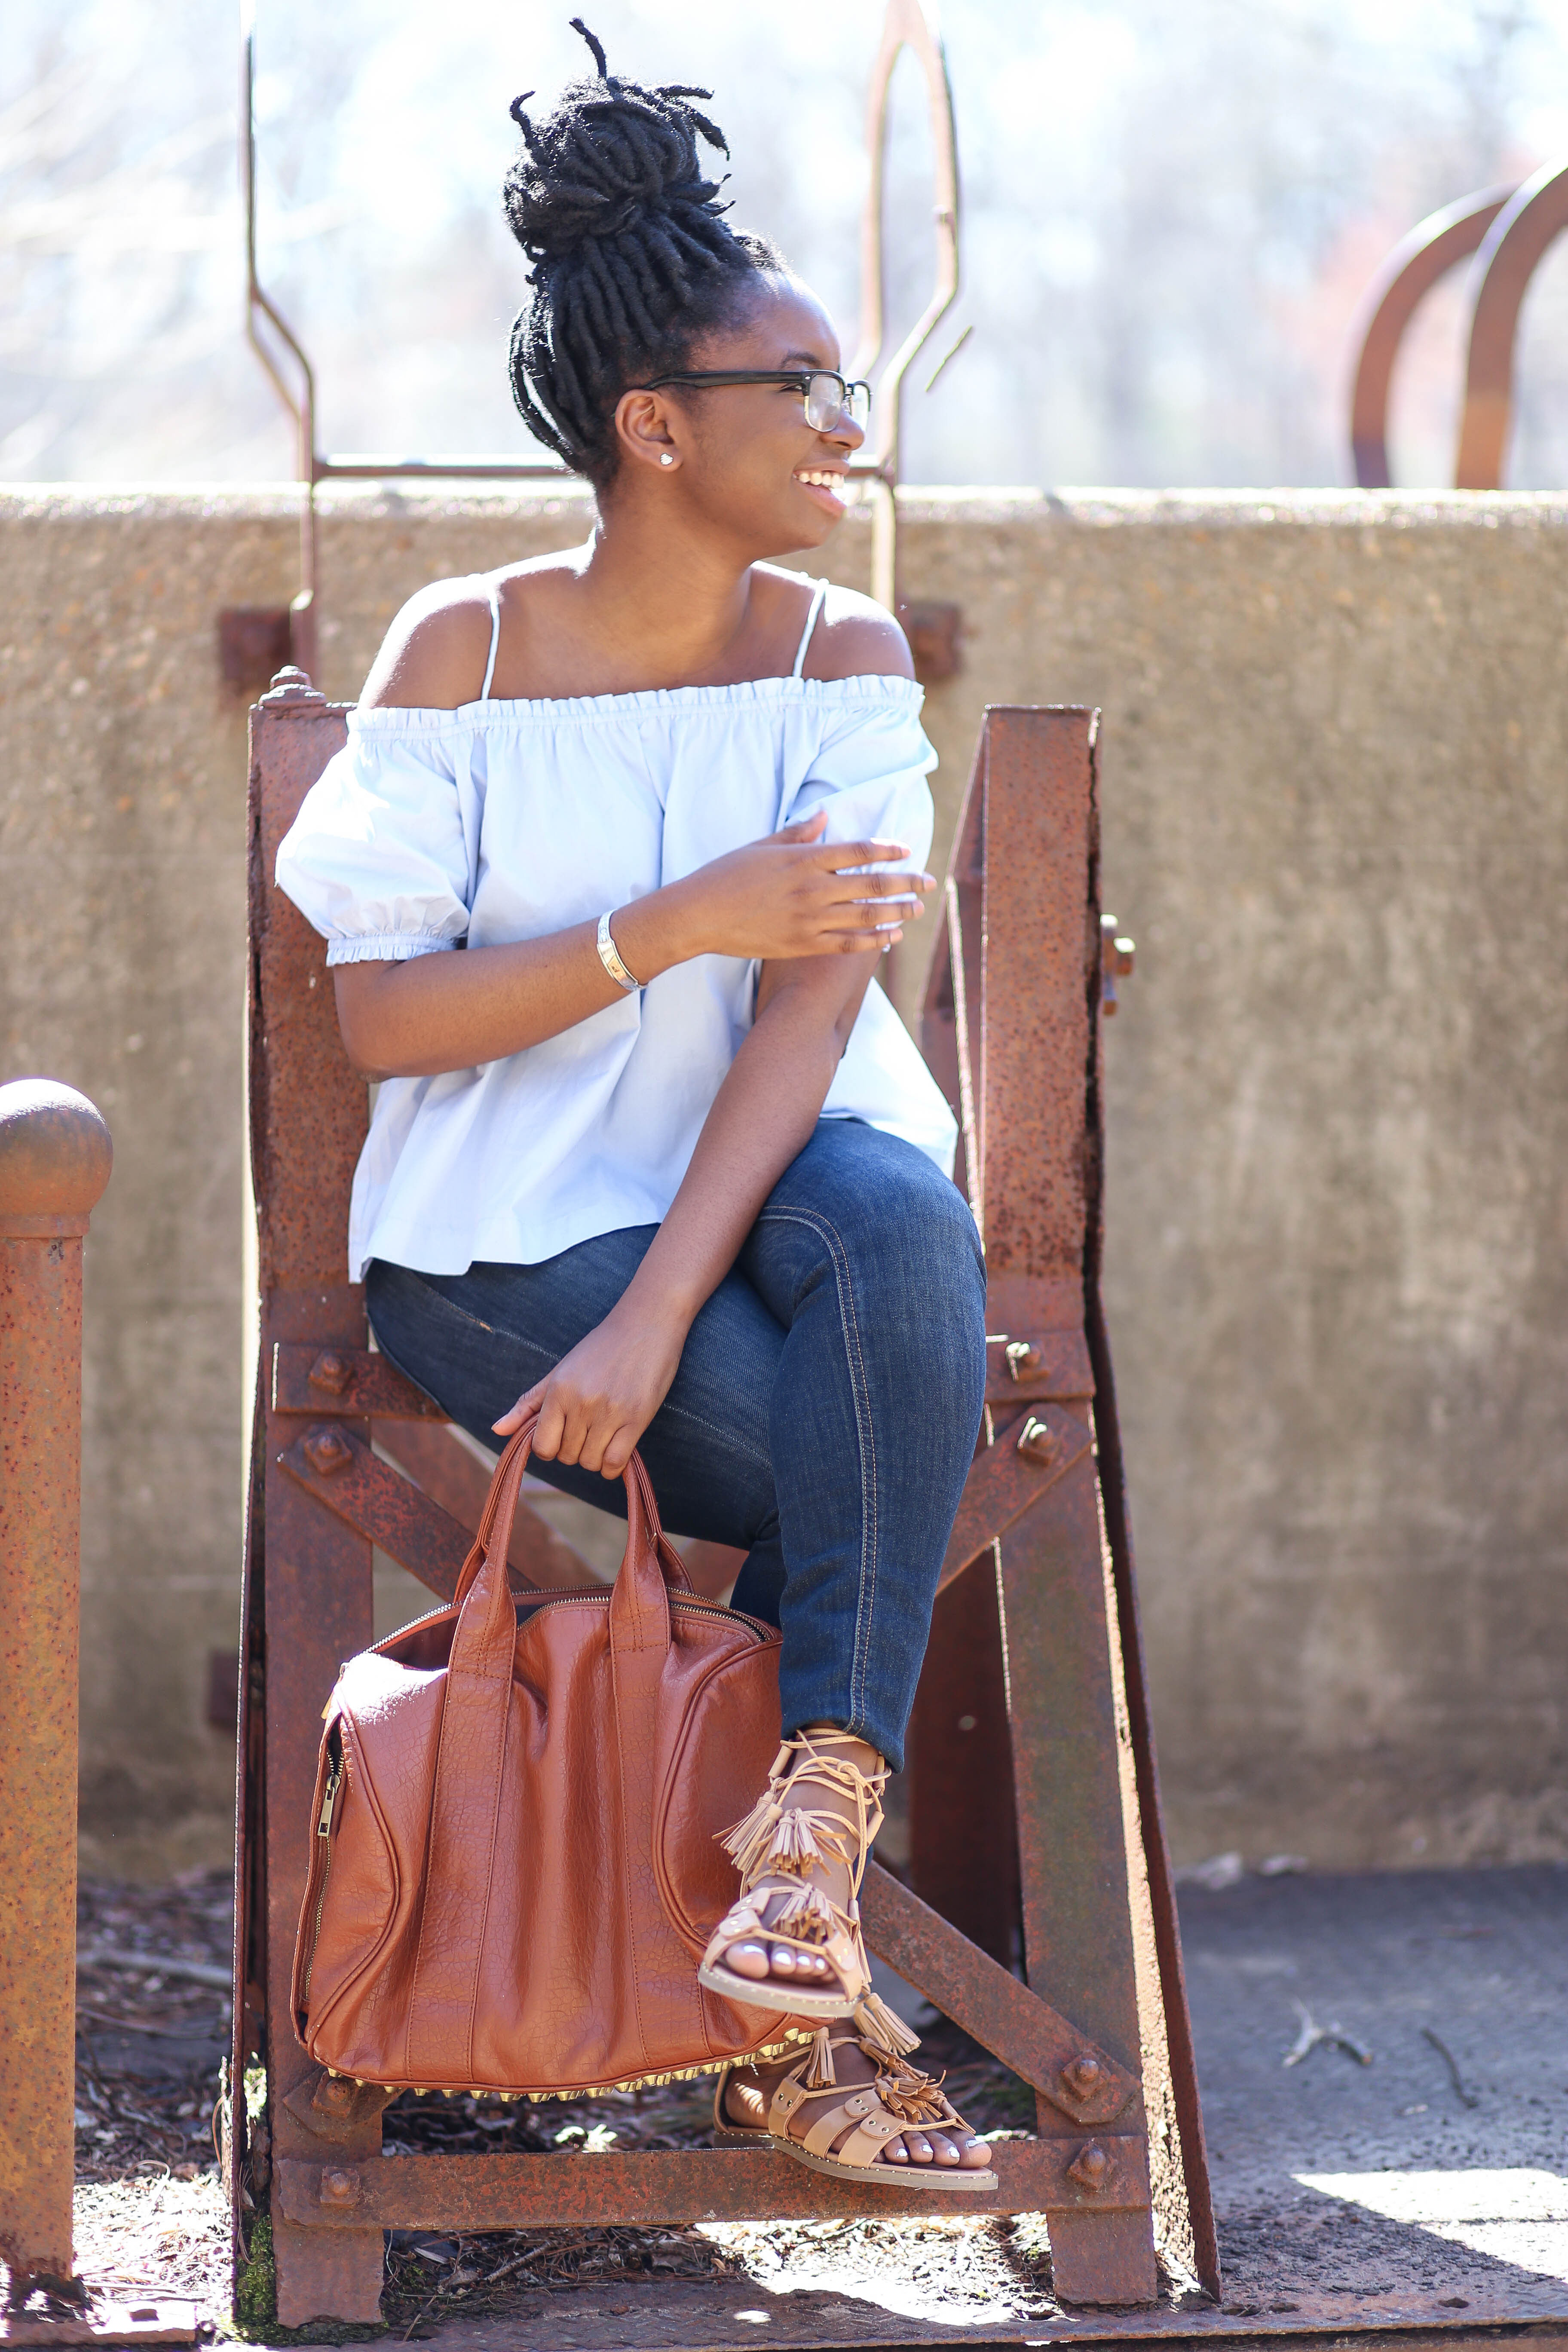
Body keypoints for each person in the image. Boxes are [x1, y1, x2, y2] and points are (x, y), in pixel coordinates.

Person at [275, 22, 992, 2186]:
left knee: (901, 1214)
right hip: (499, 1239)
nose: (851, 427)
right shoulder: (465, 655)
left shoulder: (844, 659)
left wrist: (663, 1315)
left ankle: (808, 1859)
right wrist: (674, 918)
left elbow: (810, 1021)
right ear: (655, 424)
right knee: (867, 1470)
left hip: (762, 1209)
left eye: (851, 385)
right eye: (807, 389)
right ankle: (801, 2021)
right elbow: (386, 1025)